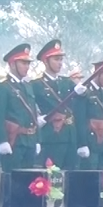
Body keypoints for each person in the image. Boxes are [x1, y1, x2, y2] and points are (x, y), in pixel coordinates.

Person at [0, 44, 41, 171]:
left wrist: (37, 139)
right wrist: (2, 141)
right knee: (12, 179)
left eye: (28, 63)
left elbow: (33, 114)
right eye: (23, 63)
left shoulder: (27, 86)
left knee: (28, 179)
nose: (27, 67)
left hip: (29, 141)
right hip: (14, 141)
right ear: (12, 64)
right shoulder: (2, 87)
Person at [30, 40, 77, 171]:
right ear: (46, 61)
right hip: (51, 136)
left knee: (71, 174)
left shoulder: (67, 82)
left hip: (70, 135)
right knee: (53, 175)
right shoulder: (36, 84)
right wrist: (37, 120)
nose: (60, 63)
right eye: (56, 59)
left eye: (61, 59)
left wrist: (82, 91)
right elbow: (29, 107)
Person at [72, 62, 103, 170]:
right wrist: (82, 144)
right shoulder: (85, 91)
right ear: (97, 73)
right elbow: (80, 119)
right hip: (90, 141)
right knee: (90, 174)